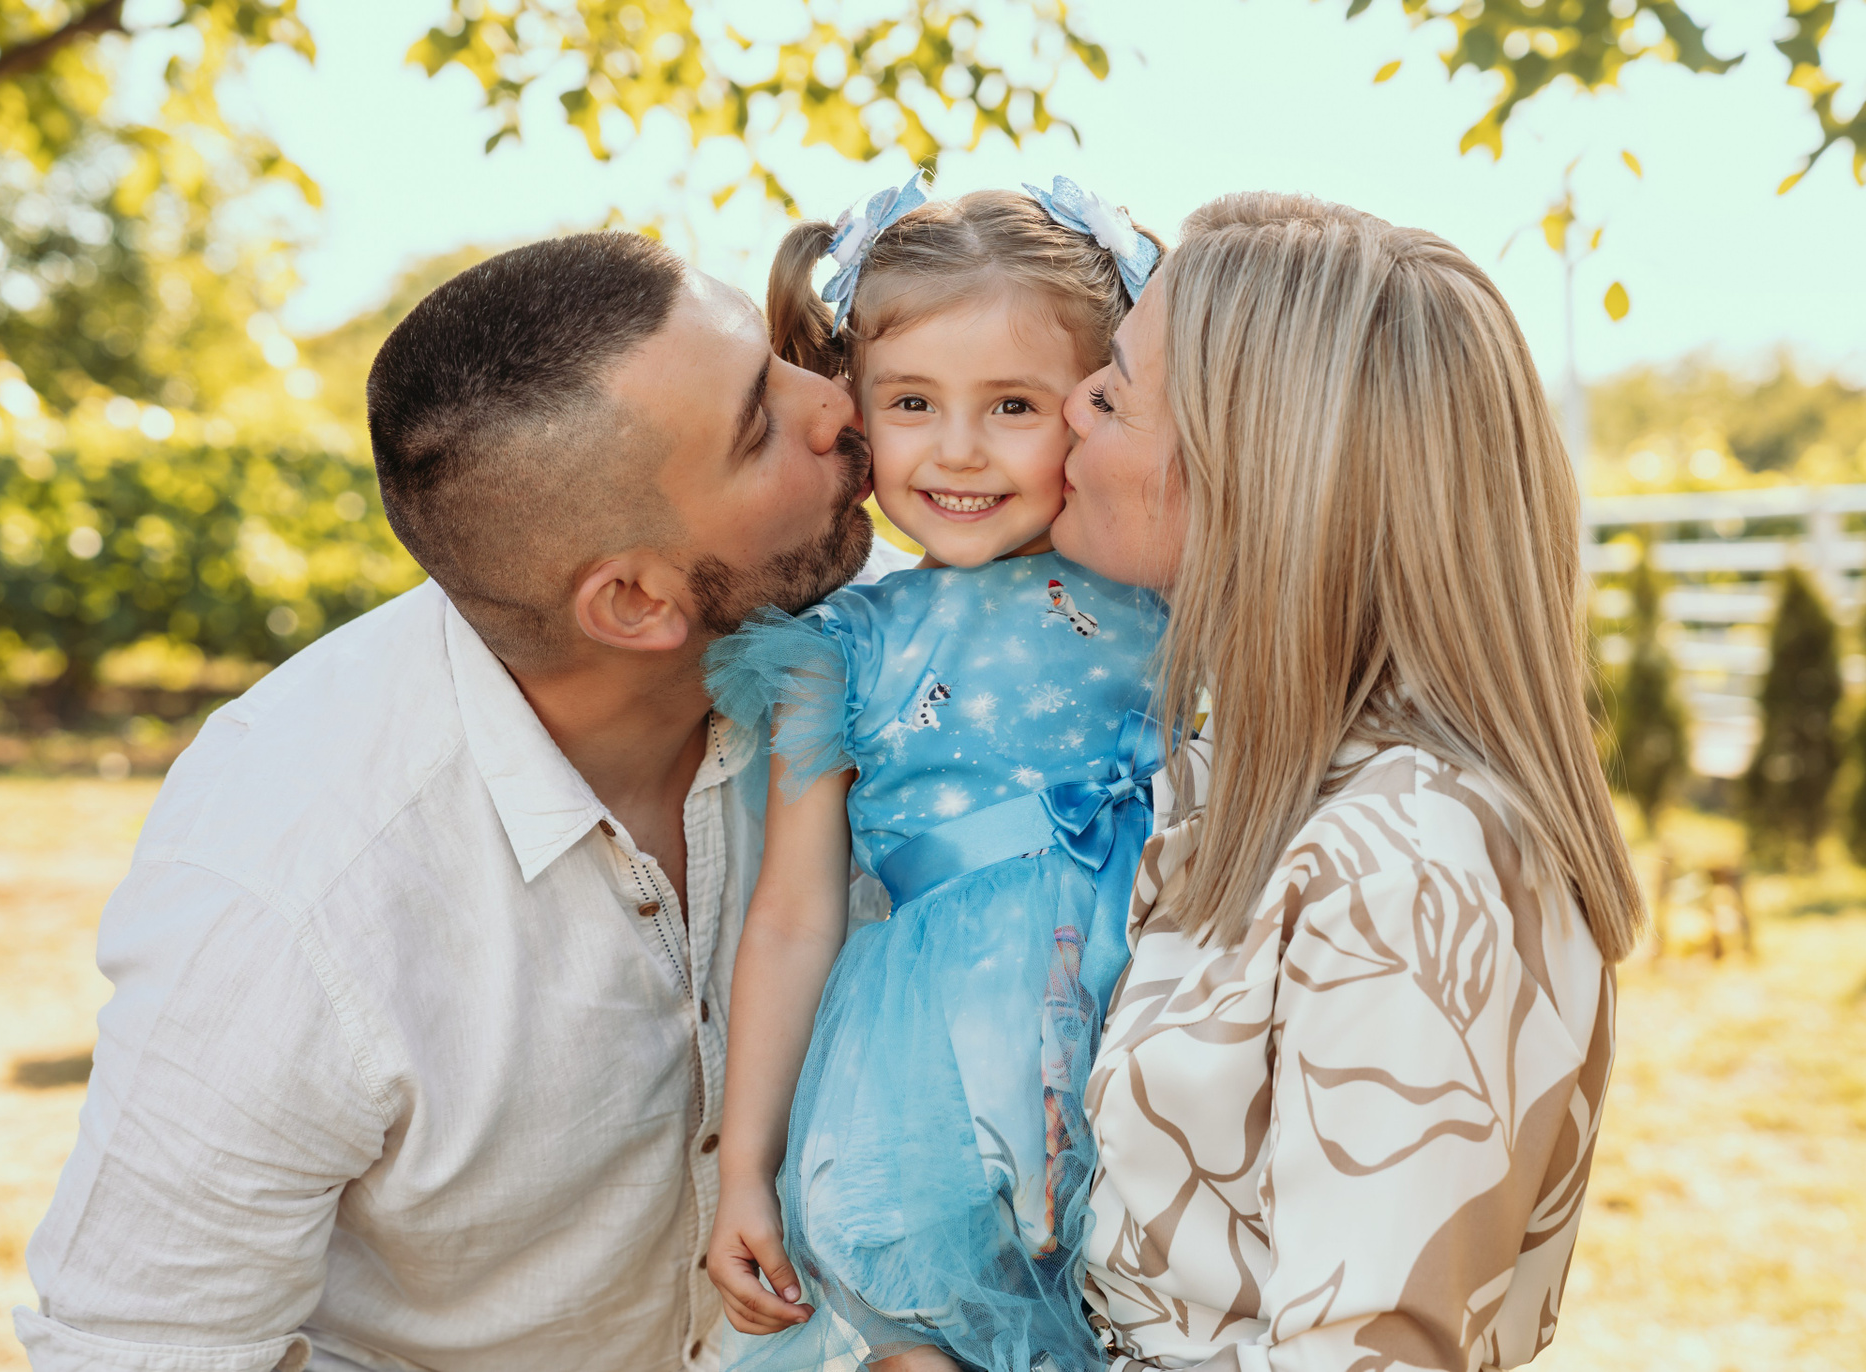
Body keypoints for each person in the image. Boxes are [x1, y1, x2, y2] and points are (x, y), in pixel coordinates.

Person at [14, 232, 875, 1372]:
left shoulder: (882, 666)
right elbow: (138, 1351)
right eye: (759, 423)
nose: (838, 401)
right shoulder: (288, 890)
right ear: (632, 602)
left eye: (773, 360)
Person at [1048, 192, 1638, 1371]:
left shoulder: (1408, 871)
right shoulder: (1265, 779)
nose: (1069, 401)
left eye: (1112, 393)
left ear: (1249, 477)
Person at [701, 175, 1167, 1372]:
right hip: (934, 1092)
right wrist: (746, 1166)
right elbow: (794, 916)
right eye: (913, 402)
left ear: (1099, 403)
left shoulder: (1173, 595)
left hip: (1155, 1050)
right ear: (857, 409)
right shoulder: (845, 648)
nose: (958, 449)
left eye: (1014, 404)